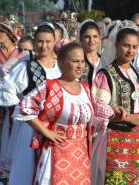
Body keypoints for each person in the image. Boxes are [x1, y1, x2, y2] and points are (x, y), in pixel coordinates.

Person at [0, 23, 61, 185]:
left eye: (48, 41)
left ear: (54, 42)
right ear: (35, 42)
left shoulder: (61, 66)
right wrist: (23, 107)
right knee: (26, 170)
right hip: (31, 127)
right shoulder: (26, 66)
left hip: (55, 127)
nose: (44, 46)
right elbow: (4, 89)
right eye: (40, 41)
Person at [16, 42, 93, 184]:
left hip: (81, 153)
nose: (80, 66)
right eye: (75, 61)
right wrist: (46, 132)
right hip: (56, 149)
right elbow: (25, 107)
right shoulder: (50, 86)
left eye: (82, 61)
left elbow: (96, 113)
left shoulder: (85, 88)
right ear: (62, 62)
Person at [91, 20, 139, 184]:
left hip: (136, 138)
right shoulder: (106, 74)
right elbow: (97, 106)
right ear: (116, 45)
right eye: (126, 45)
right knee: (115, 178)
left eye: (134, 46)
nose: (130, 50)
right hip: (113, 136)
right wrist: (125, 117)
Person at [0, 17, 21, 183]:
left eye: (2, 31)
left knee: (15, 136)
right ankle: (2, 173)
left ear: (10, 34)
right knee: (1, 135)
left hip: (16, 99)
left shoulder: (20, 52)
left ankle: (13, 171)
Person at [78, 19, 101, 87]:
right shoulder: (76, 62)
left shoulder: (105, 62)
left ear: (99, 39)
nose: (91, 40)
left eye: (95, 36)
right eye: (87, 37)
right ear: (80, 39)